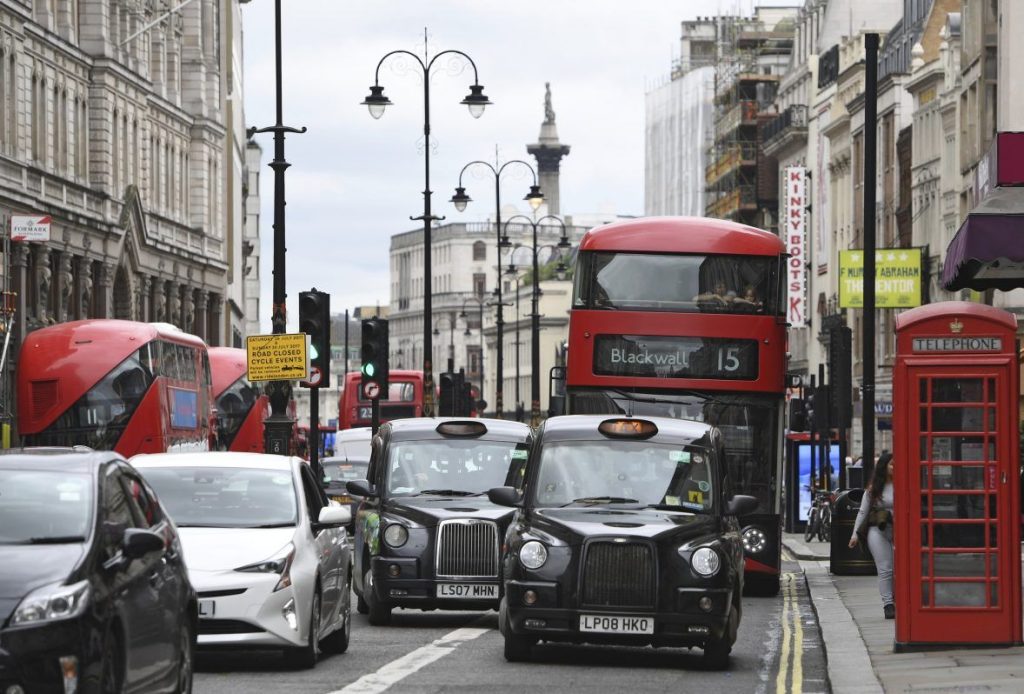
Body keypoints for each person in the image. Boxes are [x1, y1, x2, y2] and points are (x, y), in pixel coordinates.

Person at [848, 451, 895, 619]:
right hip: (878, 530)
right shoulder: (874, 488)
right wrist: (854, 535)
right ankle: (888, 604)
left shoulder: (904, 483)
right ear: (883, 467)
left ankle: (899, 599)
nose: (894, 467)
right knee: (885, 569)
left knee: (900, 569)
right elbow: (862, 512)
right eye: (891, 464)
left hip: (900, 531)